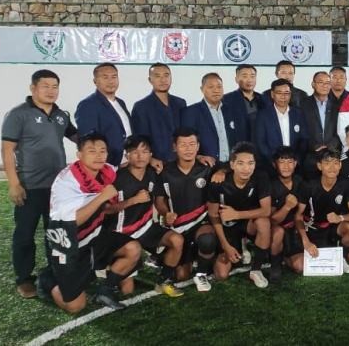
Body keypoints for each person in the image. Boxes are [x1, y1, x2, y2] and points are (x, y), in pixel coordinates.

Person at [40, 133, 141, 313]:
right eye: (91, 151)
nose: (98, 155)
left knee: (132, 249)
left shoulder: (107, 170)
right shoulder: (66, 181)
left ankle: (105, 290)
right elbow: (73, 220)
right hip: (69, 243)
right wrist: (102, 196)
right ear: (79, 155)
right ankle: (47, 280)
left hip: (94, 236)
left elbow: (123, 167)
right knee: (75, 306)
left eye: (102, 151)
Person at [2, 69, 77, 298]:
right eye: (45, 86)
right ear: (33, 88)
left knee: (54, 234)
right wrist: (14, 183)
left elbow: (79, 139)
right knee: (24, 235)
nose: (51, 91)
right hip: (30, 186)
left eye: (55, 86)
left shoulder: (62, 115)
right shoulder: (18, 114)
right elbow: (7, 151)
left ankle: (54, 274)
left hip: (57, 190)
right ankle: (24, 279)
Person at [105, 135, 184, 298]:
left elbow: (158, 201)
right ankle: (108, 282)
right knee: (127, 290)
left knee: (177, 240)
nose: (140, 156)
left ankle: (164, 280)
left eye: (145, 151)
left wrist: (165, 213)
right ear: (126, 155)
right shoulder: (116, 177)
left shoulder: (153, 174)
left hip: (145, 228)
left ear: (150, 154)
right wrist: (133, 200)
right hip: (121, 234)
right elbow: (106, 210)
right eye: (134, 152)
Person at [153, 128, 219, 292]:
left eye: (192, 144)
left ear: (198, 147)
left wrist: (223, 171)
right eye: (183, 145)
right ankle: (177, 257)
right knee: (181, 275)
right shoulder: (165, 171)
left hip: (201, 222)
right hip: (178, 227)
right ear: (174, 147)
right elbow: (159, 200)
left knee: (207, 240)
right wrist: (165, 213)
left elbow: (229, 167)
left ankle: (201, 272)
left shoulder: (207, 167)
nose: (188, 149)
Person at [207, 143, 271, 287]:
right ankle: (234, 247)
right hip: (226, 227)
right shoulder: (218, 182)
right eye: (240, 163)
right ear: (232, 165)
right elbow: (212, 214)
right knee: (221, 274)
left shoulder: (261, 177)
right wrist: (225, 246)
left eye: (250, 163)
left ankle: (256, 270)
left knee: (264, 223)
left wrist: (236, 214)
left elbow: (266, 210)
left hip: (247, 222)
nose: (246, 168)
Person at [291, 149, 349, 274]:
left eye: (335, 162)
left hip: (332, 228)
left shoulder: (346, 183)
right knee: (299, 266)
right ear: (319, 166)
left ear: (340, 165)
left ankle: (341, 256)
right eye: (327, 163)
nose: (332, 167)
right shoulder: (308, 185)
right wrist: (306, 241)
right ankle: (283, 259)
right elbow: (298, 216)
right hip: (310, 228)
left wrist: (341, 218)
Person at [180, 72, 248, 166]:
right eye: (211, 87)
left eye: (219, 87)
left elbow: (241, 139)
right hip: (205, 165)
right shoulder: (191, 112)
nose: (216, 90)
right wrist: (199, 157)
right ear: (202, 89)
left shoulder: (233, 111)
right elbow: (185, 141)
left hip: (232, 167)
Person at [131, 63, 186, 172]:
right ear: (150, 80)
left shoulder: (180, 103)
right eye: (157, 76)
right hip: (156, 164)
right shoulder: (141, 106)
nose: (163, 80)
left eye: (166, 75)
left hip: (181, 162)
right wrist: (150, 159)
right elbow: (139, 139)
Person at [75, 63, 132, 166]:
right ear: (95, 81)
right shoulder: (88, 105)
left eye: (114, 77)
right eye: (105, 77)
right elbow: (88, 142)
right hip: (107, 166)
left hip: (127, 164)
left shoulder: (121, 103)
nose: (110, 81)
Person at [257, 79, 309, 177]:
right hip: (271, 166)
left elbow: (304, 139)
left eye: (287, 93)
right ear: (272, 94)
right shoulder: (262, 115)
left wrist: (296, 160)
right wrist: (274, 161)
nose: (283, 96)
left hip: (294, 165)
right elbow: (261, 142)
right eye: (279, 93)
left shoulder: (298, 113)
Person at [267, 146, 303, 283]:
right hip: (276, 231)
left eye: (290, 162)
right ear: (274, 164)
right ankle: (275, 264)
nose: (286, 166)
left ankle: (286, 258)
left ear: (295, 163)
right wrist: (287, 207)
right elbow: (272, 220)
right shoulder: (270, 185)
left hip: (295, 231)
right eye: (282, 162)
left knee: (300, 267)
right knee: (278, 231)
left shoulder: (300, 181)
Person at [300, 71, 340, 178]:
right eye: (320, 82)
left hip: (332, 154)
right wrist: (313, 145)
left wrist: (330, 145)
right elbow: (300, 130)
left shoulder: (337, 105)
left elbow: (340, 130)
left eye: (327, 83)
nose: (324, 86)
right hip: (310, 155)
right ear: (313, 84)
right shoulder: (303, 104)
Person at [222, 64, 264, 144]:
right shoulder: (226, 100)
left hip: (259, 148)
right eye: (245, 76)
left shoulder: (264, 100)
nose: (249, 80)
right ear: (236, 79)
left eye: (252, 76)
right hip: (236, 147)